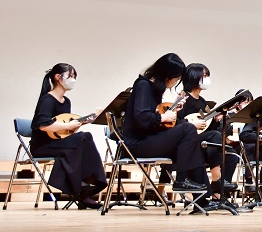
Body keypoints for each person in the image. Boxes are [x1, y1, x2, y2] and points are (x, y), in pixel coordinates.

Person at [122, 53, 209, 208]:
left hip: (148, 139)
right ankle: (181, 182)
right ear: (167, 75)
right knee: (188, 129)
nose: (176, 81)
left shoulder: (153, 88)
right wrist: (163, 118)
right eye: (176, 78)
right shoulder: (143, 85)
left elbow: (152, 116)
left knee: (193, 143)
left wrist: (172, 110)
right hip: (137, 143)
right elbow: (141, 117)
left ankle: (201, 200)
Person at [30, 63, 107, 209]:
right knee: (83, 138)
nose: (73, 80)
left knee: (84, 137)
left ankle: (84, 187)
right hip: (43, 146)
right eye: (70, 76)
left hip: (58, 143)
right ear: (58, 78)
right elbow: (43, 125)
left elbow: (64, 130)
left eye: (74, 77)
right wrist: (68, 126)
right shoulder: (47, 100)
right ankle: (83, 189)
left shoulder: (66, 102)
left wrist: (89, 119)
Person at [178, 63, 239, 200]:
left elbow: (207, 129)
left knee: (231, 156)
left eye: (207, 76)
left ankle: (219, 195)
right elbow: (176, 124)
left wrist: (216, 120)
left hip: (201, 144)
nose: (206, 79)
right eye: (204, 76)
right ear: (194, 77)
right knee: (214, 136)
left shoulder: (202, 102)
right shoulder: (183, 99)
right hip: (187, 145)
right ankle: (217, 181)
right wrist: (191, 124)